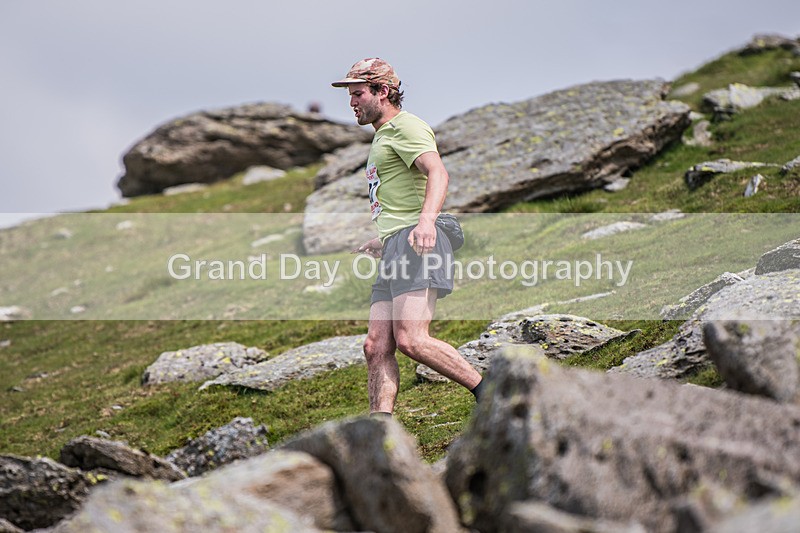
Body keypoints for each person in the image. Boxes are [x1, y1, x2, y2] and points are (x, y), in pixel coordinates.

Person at [331, 58, 484, 416]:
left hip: (418, 243)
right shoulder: (383, 135)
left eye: (357, 94)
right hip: (397, 245)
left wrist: (426, 222)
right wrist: (384, 240)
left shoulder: (406, 127)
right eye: (350, 95)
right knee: (375, 345)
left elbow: (437, 173)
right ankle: (380, 426)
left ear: (382, 92)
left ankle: (491, 394)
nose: (351, 103)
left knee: (412, 339)